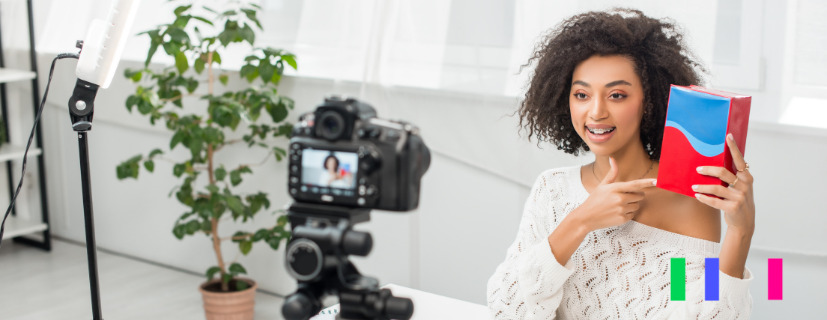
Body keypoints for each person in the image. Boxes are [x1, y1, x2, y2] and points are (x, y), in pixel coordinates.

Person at [487, 8, 754, 319]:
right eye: (582, 94)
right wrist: (580, 221)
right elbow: (507, 309)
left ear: (650, 100)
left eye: (616, 95)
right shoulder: (553, 190)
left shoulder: (688, 202)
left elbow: (699, 311)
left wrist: (740, 234)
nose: (596, 112)